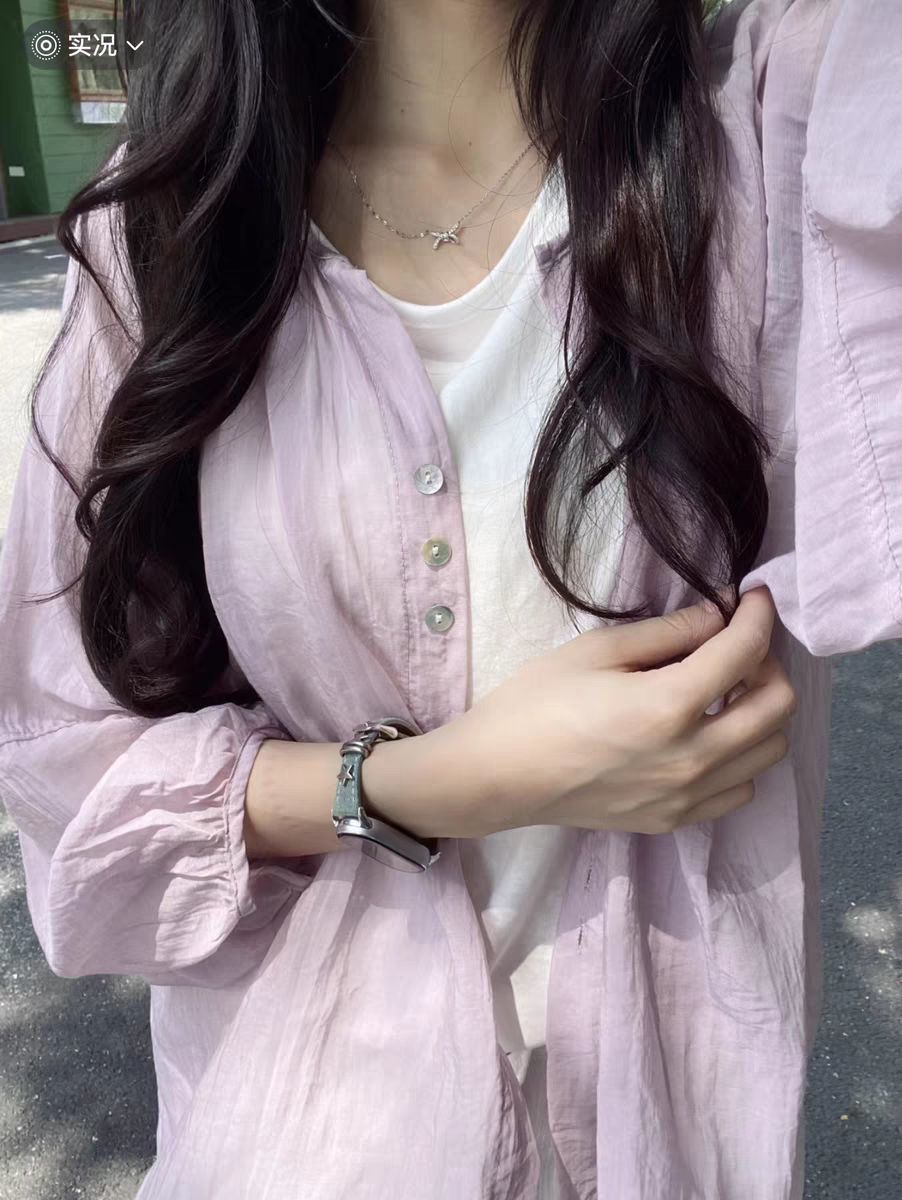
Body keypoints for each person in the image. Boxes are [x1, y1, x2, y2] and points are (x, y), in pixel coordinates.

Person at [0, 0, 899, 1196]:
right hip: (307, 1126)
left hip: (669, 1117)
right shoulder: (177, 207)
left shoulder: (766, 135)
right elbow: (68, 771)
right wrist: (436, 783)